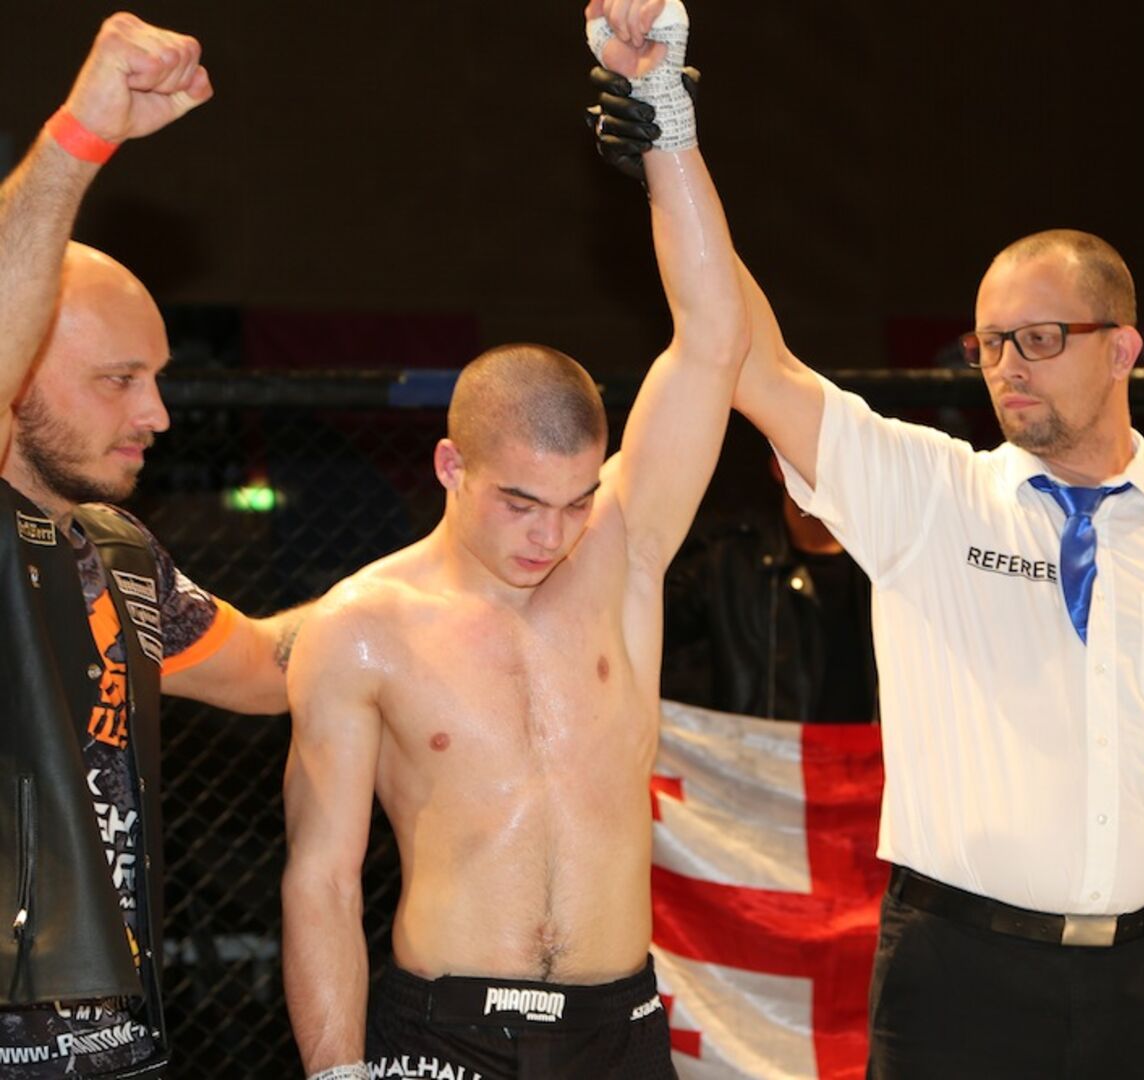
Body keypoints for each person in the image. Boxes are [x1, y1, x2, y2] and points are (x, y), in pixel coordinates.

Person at [591, 68, 1144, 1080]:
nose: (1007, 366)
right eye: (989, 344)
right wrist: (670, 143)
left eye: (1038, 339)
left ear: (1122, 348)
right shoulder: (931, 495)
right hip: (956, 982)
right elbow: (750, 358)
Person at [278, 4, 749, 1077]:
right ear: (452, 468)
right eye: (522, 503)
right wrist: (338, 1072)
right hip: (445, 1030)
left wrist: (664, 118)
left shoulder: (619, 552)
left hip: (619, 1024)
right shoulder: (363, 628)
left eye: (577, 500)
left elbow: (713, 339)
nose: (553, 534)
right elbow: (321, 880)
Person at [0, 15, 311, 1077]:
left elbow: (275, 665)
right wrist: (79, 138)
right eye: (119, 381)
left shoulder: (115, 556)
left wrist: (466, 568)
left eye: (158, 378)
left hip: (110, 1036)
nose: (159, 415)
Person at [662, 453, 878, 722]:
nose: (826, 472)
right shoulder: (723, 564)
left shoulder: (890, 573)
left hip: (873, 749)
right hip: (755, 748)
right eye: (815, 454)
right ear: (779, 465)